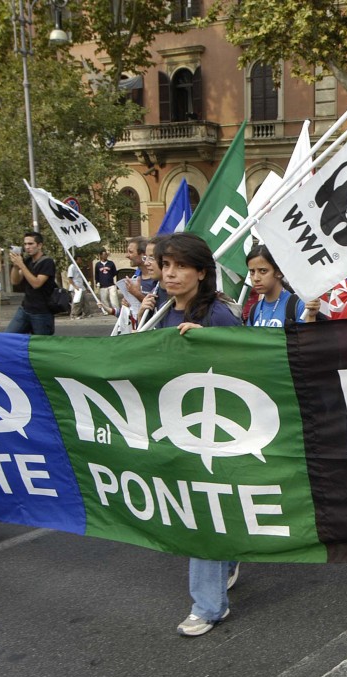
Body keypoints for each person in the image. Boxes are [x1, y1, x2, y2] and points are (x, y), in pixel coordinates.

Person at [137, 233, 242, 637]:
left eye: (181, 265)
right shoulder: (161, 311)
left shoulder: (220, 314)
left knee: (202, 516)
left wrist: (206, 344)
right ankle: (226, 562)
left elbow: (248, 362)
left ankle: (209, 606)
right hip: (175, 426)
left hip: (214, 430)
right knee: (206, 512)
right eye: (165, 265)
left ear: (201, 270)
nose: (171, 273)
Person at [244, 244, 321, 325]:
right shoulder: (254, 309)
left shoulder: (300, 305)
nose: (256, 278)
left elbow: (305, 336)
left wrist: (311, 317)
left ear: (279, 272)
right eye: (252, 272)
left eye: (263, 271)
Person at [4, 231, 56, 335]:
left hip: (42, 312)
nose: (27, 247)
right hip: (25, 309)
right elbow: (15, 281)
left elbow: (36, 283)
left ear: (40, 245)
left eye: (31, 244)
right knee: (9, 337)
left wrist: (21, 265)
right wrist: (15, 265)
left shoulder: (47, 262)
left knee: (42, 346)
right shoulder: (27, 261)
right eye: (25, 244)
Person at [94, 248, 119, 314]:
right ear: (100, 255)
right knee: (104, 299)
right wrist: (97, 282)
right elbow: (96, 275)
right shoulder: (98, 265)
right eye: (104, 255)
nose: (106, 256)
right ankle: (106, 311)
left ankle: (116, 310)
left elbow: (114, 272)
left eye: (106, 255)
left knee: (114, 298)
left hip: (111, 284)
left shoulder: (111, 263)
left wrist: (109, 277)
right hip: (102, 285)